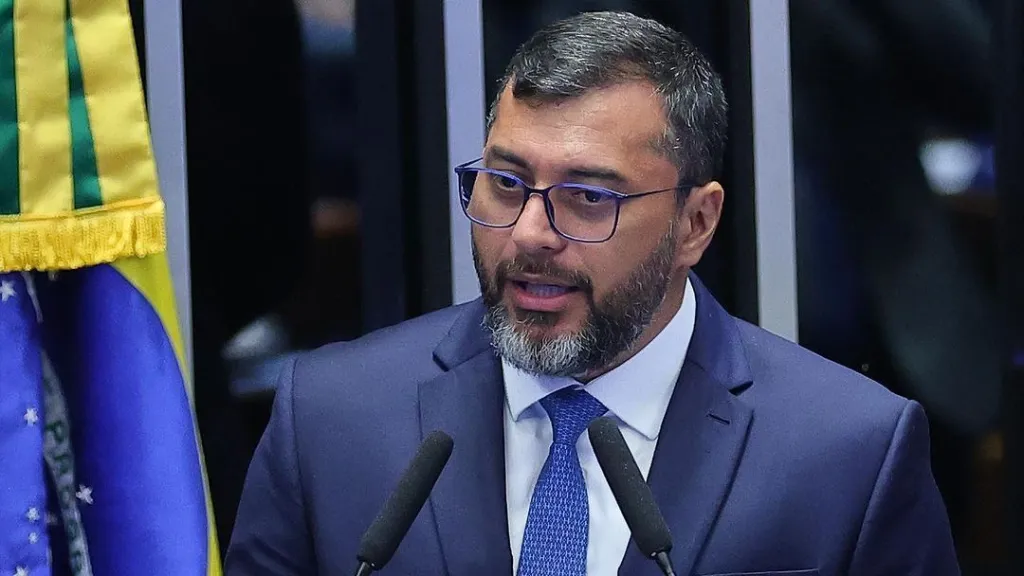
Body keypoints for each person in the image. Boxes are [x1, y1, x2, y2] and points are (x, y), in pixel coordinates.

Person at [225, 11, 958, 575]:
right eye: (505, 183)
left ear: (695, 224)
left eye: (587, 198)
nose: (530, 233)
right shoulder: (328, 420)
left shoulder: (849, 452)